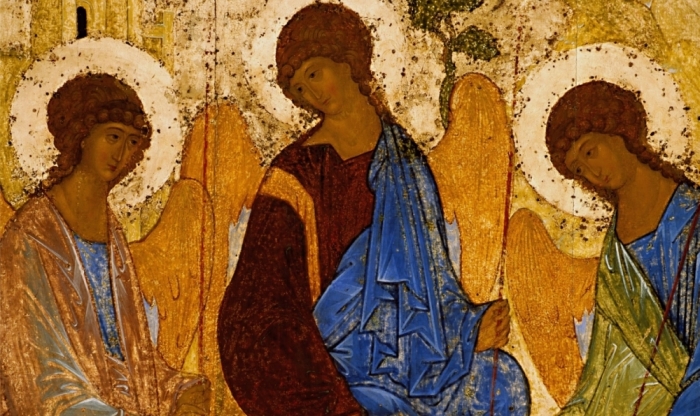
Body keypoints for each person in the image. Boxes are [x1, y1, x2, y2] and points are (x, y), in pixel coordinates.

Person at [217, 4, 529, 415]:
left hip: (414, 353)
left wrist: (471, 329)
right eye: (299, 89)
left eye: (314, 73)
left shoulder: (404, 161)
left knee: (501, 381)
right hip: (337, 365)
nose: (312, 94)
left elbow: (433, 282)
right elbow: (258, 306)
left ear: (347, 59)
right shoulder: (295, 175)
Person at [0, 73, 210, 415]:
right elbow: (36, 369)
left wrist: (177, 389)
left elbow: (130, 353)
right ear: (82, 136)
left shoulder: (113, 234)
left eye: (132, 142)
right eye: (112, 137)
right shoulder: (31, 234)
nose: (121, 153)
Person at [547, 80, 700, 415]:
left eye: (590, 152)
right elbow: (605, 365)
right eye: (579, 170)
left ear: (618, 130)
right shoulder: (614, 254)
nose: (592, 173)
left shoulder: (693, 217)